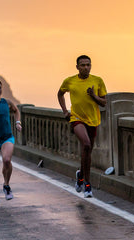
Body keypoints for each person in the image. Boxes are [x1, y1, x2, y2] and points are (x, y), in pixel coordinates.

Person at [57, 55, 107, 198]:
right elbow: (60, 94)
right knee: (85, 145)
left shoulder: (97, 81)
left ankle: (80, 175)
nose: (86, 67)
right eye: (83, 65)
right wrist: (65, 111)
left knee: (88, 152)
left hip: (93, 120)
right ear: (77, 67)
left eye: (88, 65)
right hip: (76, 118)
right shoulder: (70, 81)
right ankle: (87, 184)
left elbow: (104, 102)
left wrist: (94, 96)